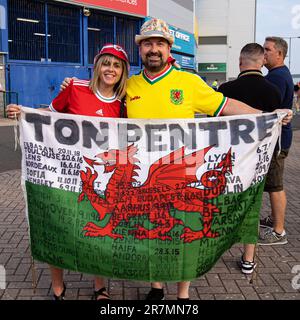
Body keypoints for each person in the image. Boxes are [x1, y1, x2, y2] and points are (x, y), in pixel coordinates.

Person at [59, 18, 292, 300]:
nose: (153, 49)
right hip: (144, 180)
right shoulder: (129, 86)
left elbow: (226, 106)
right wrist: (71, 89)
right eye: (147, 44)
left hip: (175, 175)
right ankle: (156, 287)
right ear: (140, 50)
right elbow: (101, 107)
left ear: (169, 49)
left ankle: (182, 294)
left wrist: (268, 116)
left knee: (179, 238)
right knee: (151, 234)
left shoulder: (189, 82)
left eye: (159, 43)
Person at [6, 43, 130, 300]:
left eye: (117, 65)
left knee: (96, 231)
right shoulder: (75, 88)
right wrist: (23, 112)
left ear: (123, 71)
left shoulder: (122, 103)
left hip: (98, 180)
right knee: (58, 230)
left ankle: (99, 286)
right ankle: (58, 287)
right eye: (106, 63)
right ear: (97, 66)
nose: (111, 69)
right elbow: (49, 115)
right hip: (65, 175)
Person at [218, 43, 282, 274]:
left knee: (225, 203)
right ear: (262, 61)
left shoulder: (224, 89)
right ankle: (248, 258)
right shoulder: (273, 91)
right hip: (261, 160)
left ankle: (216, 247)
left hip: (229, 158)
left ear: (239, 61)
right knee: (252, 205)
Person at [258, 37, 294, 246]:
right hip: (280, 139)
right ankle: (273, 220)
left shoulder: (277, 77)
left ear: (279, 54)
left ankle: (278, 231)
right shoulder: (277, 74)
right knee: (273, 183)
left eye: (267, 50)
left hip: (277, 141)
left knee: (275, 185)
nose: (264, 53)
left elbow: (270, 107)